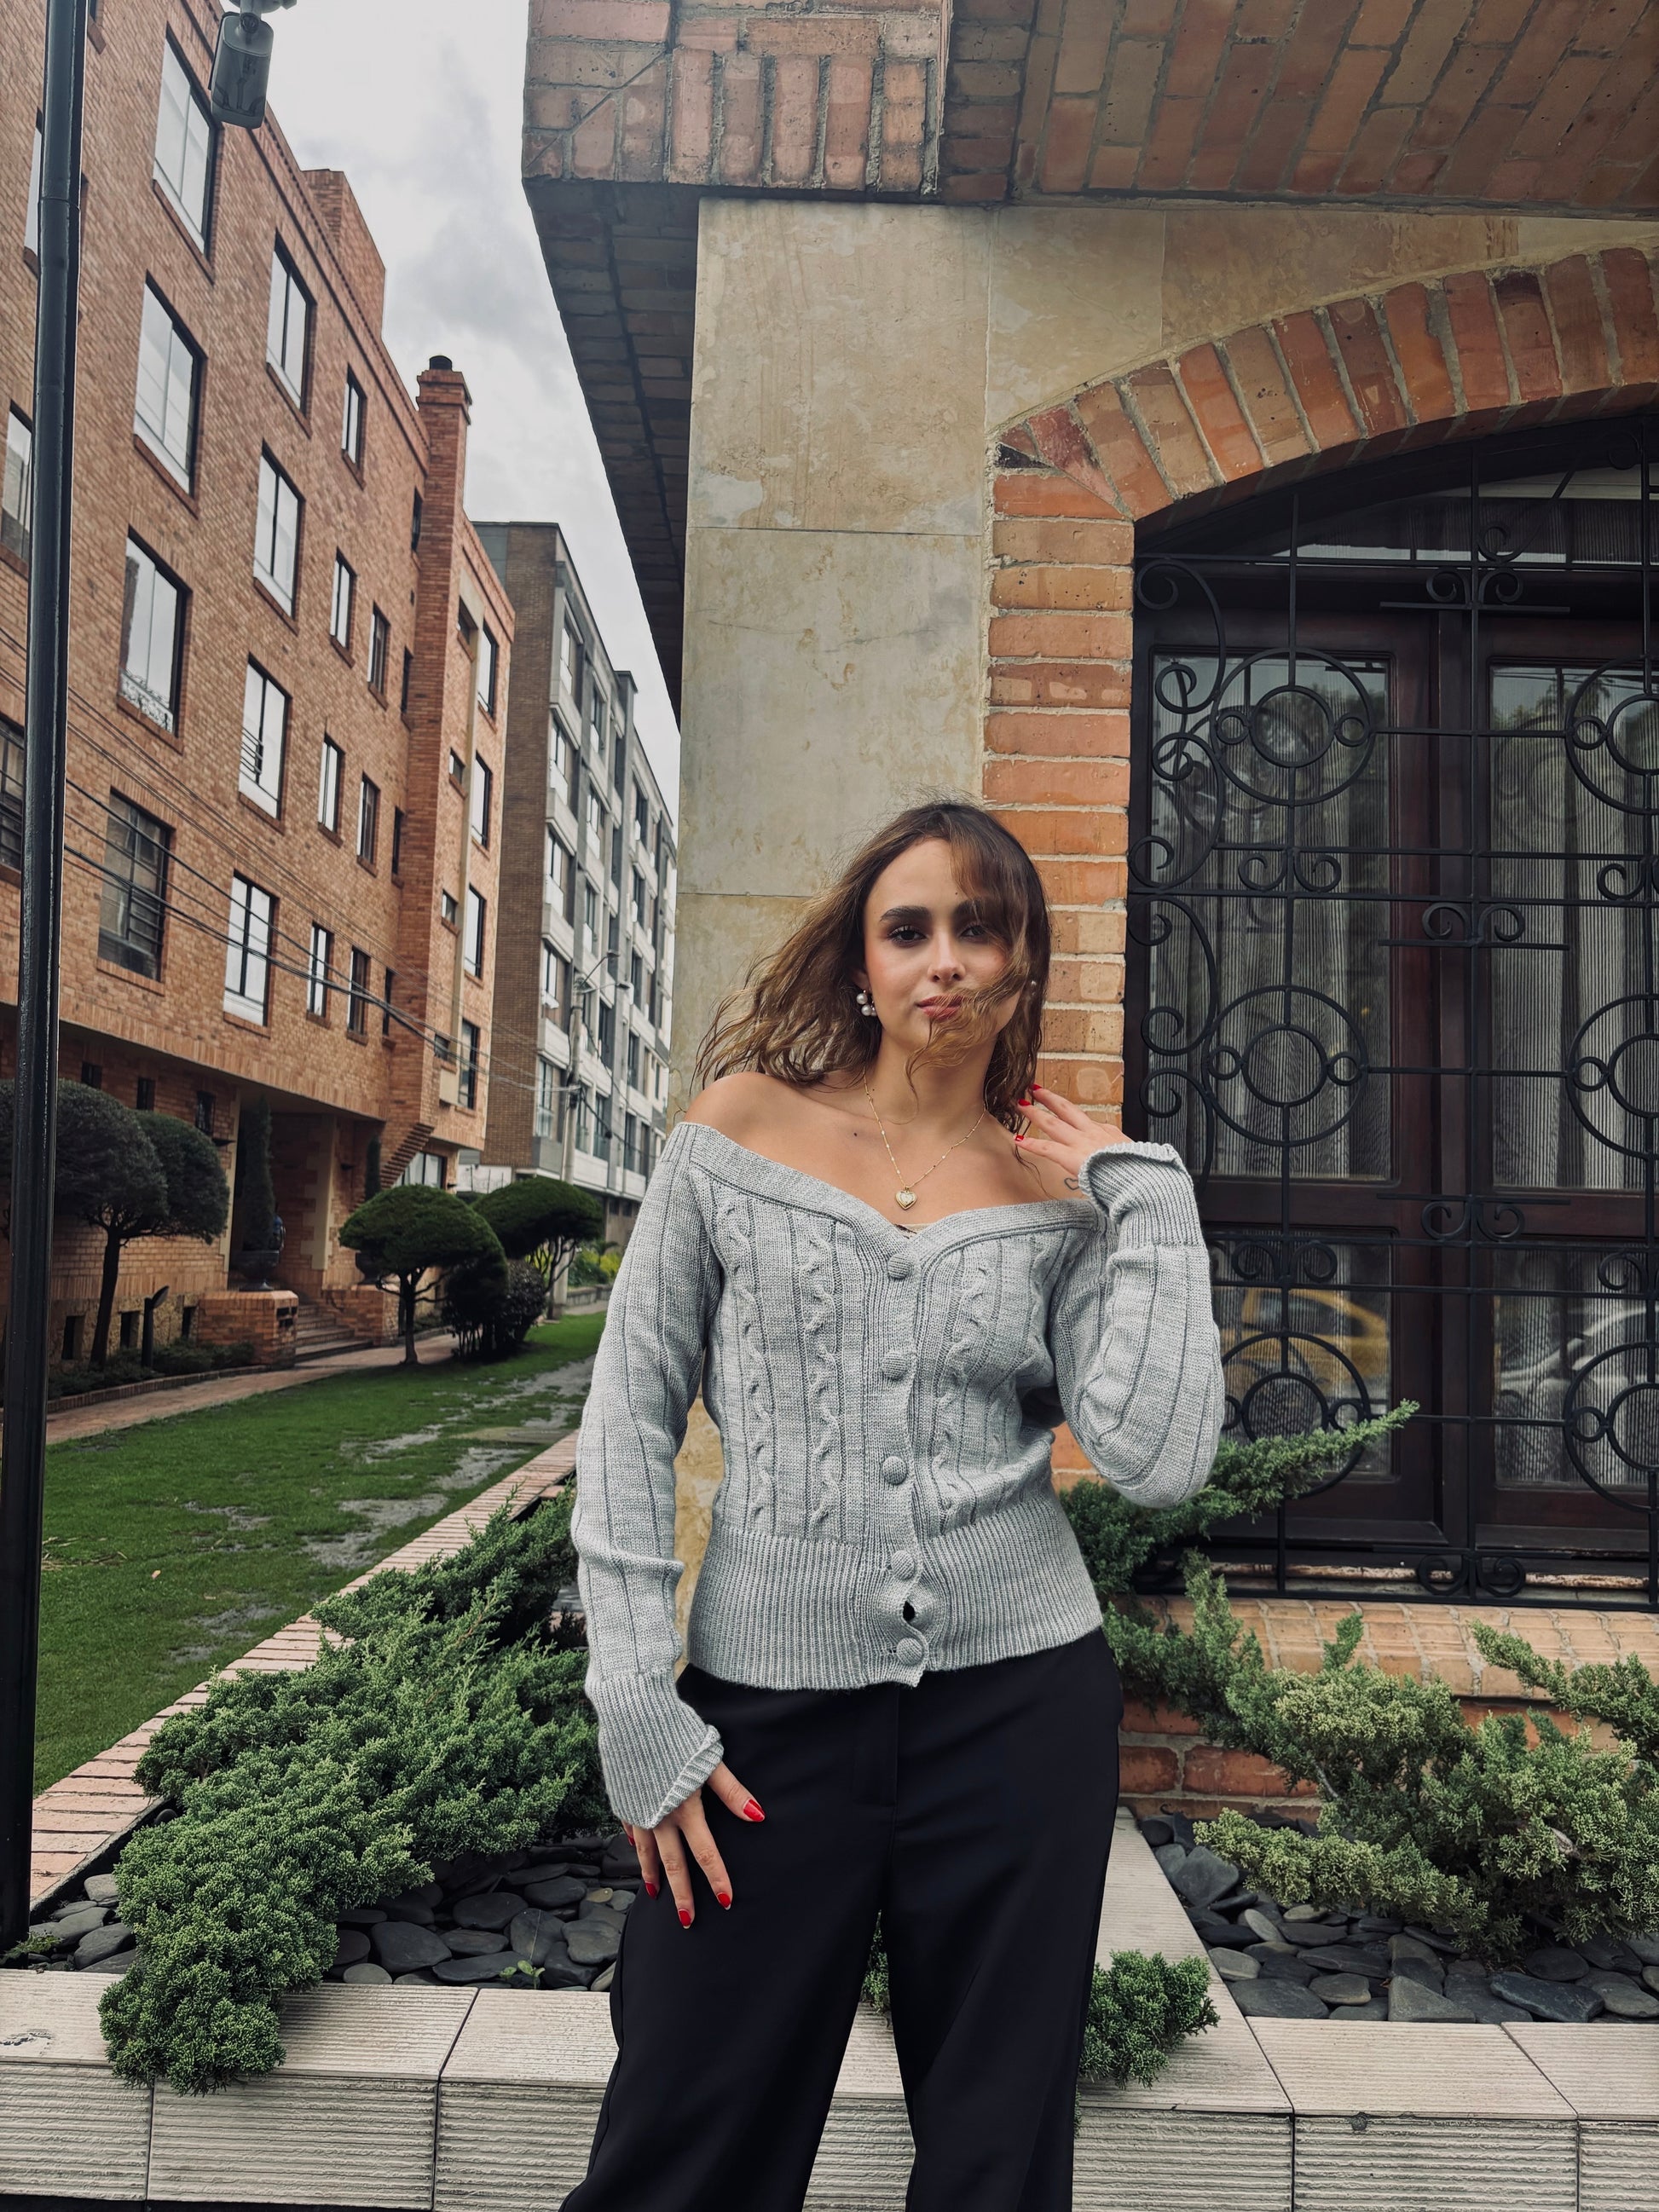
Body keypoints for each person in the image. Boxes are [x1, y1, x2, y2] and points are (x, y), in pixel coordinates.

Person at [563, 798, 1225, 2212]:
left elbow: (1158, 1459)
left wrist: (1148, 1205)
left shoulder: (1062, 1195)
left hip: (1020, 1710)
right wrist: (634, 1701)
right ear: (860, 962)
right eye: (907, 928)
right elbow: (626, 1417)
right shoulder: (736, 1132)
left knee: (997, 2159)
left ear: (1021, 965)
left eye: (978, 929)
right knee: (683, 2139)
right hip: (764, 1720)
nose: (943, 960)